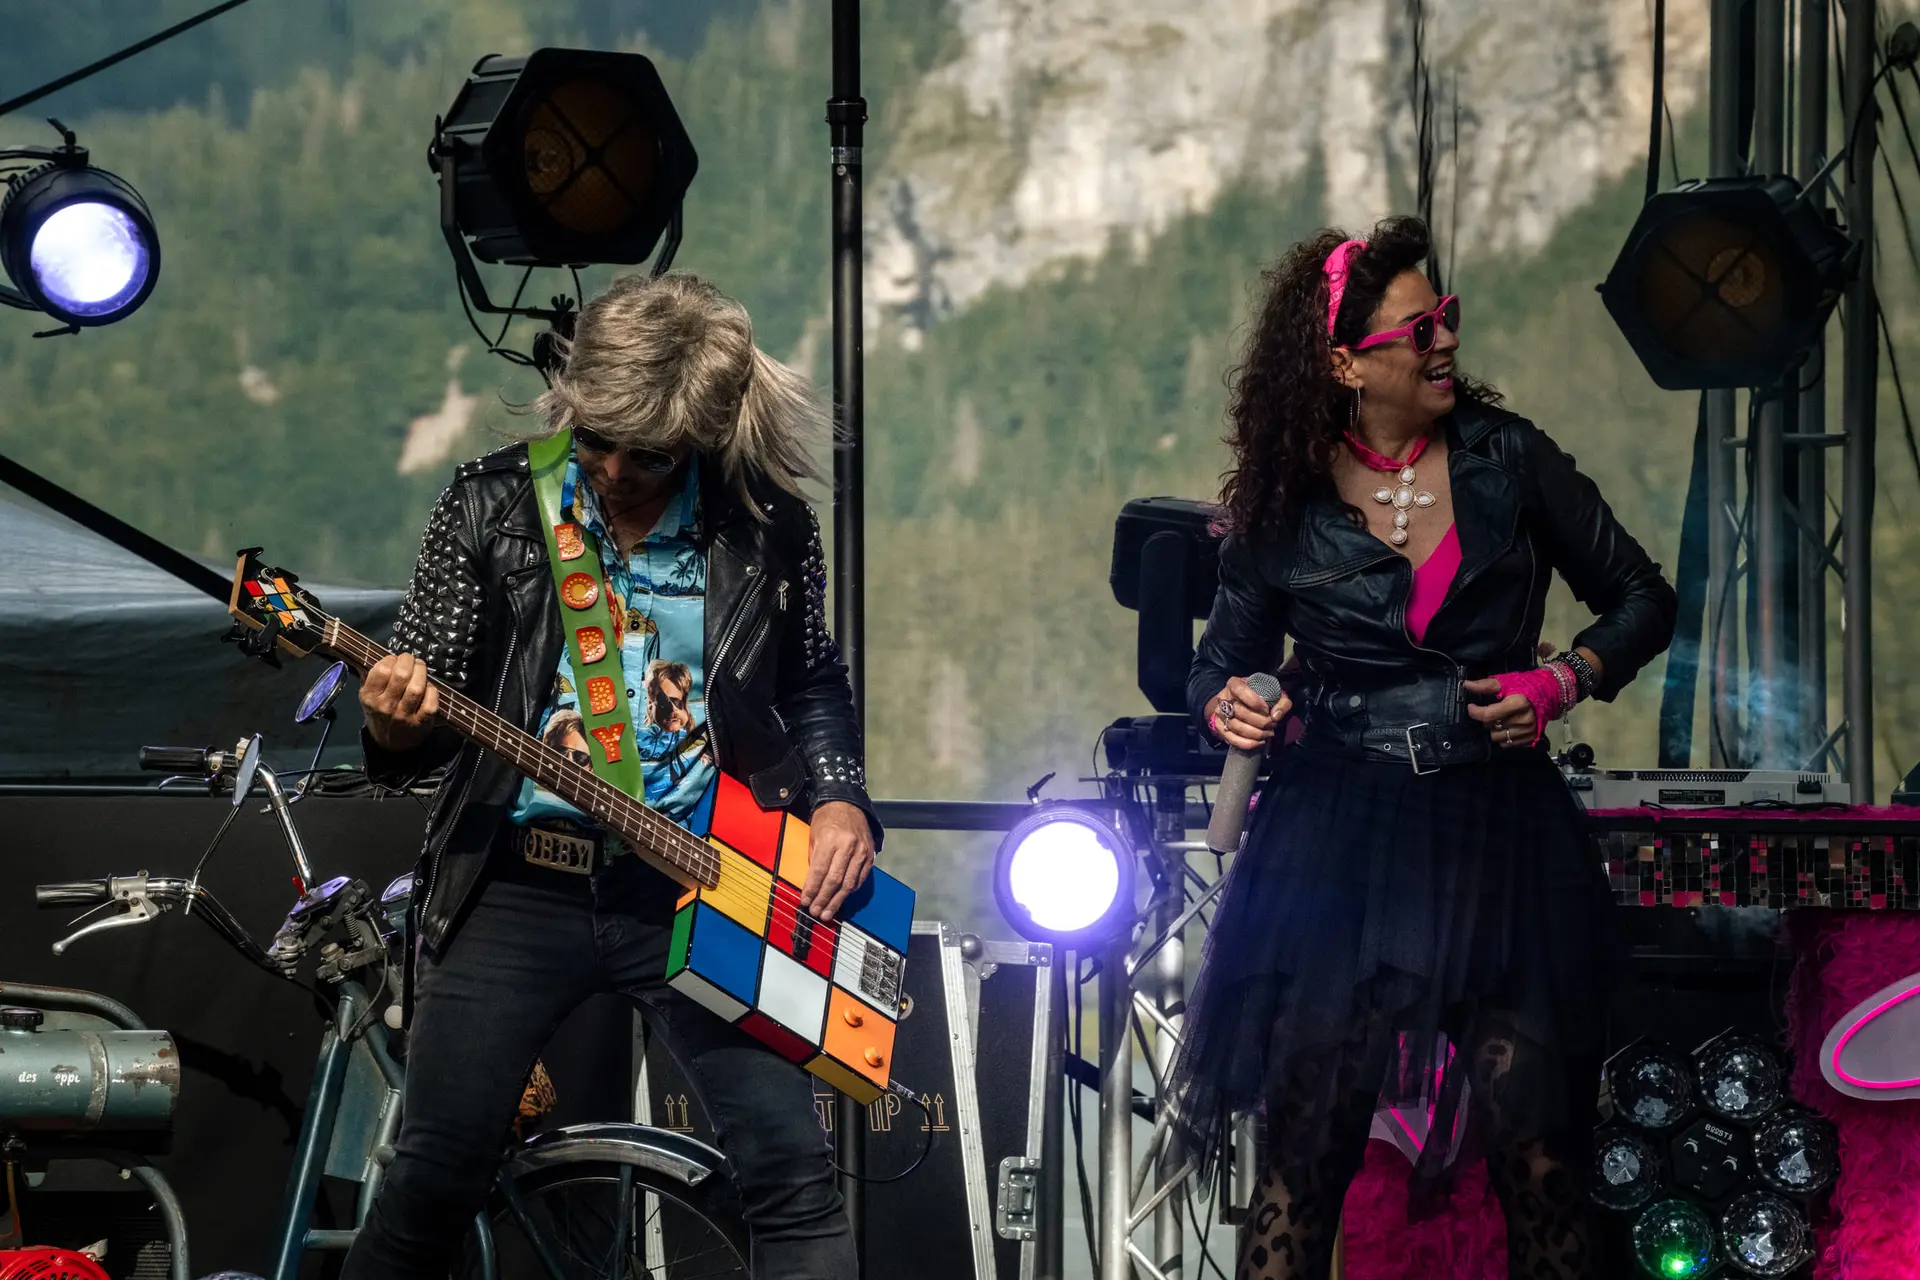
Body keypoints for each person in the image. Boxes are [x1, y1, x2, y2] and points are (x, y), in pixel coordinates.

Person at [344, 272, 881, 1280]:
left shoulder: (765, 527)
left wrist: (843, 791)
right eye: (594, 439)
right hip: (513, 882)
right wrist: (394, 719)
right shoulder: (492, 503)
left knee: (793, 1182)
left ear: (702, 438)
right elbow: (424, 696)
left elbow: (812, 679)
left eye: (650, 453)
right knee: (431, 1179)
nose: (614, 468)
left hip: (696, 881)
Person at [1170, 217, 1676, 1280]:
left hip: (1501, 837)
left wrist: (1561, 678)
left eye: (1446, 315)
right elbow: (1215, 667)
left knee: (1541, 1162)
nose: (1445, 340)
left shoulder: (1513, 458)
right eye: (1419, 327)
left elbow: (1642, 595)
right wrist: (1231, 706)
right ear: (1347, 362)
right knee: (1300, 1169)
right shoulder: (1284, 497)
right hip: (1337, 843)